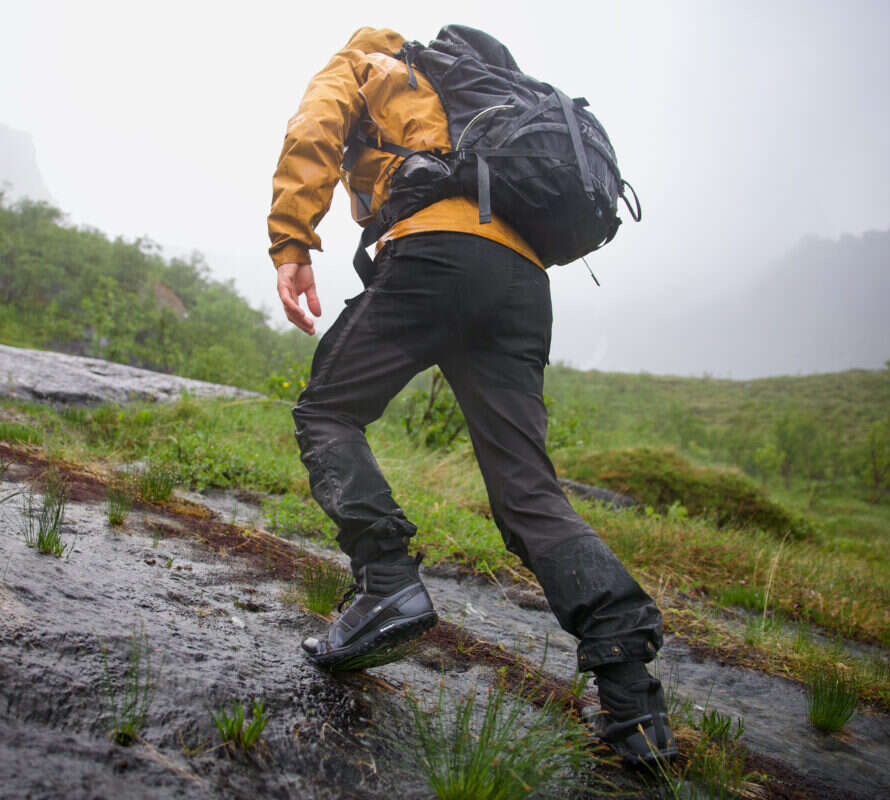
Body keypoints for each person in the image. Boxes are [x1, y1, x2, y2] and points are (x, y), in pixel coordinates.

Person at [268, 26, 675, 765]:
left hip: (434, 253)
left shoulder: (368, 62)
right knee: (529, 493)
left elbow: (314, 127)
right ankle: (632, 705)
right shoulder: (484, 93)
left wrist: (292, 238)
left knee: (328, 410)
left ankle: (386, 582)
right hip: (521, 279)